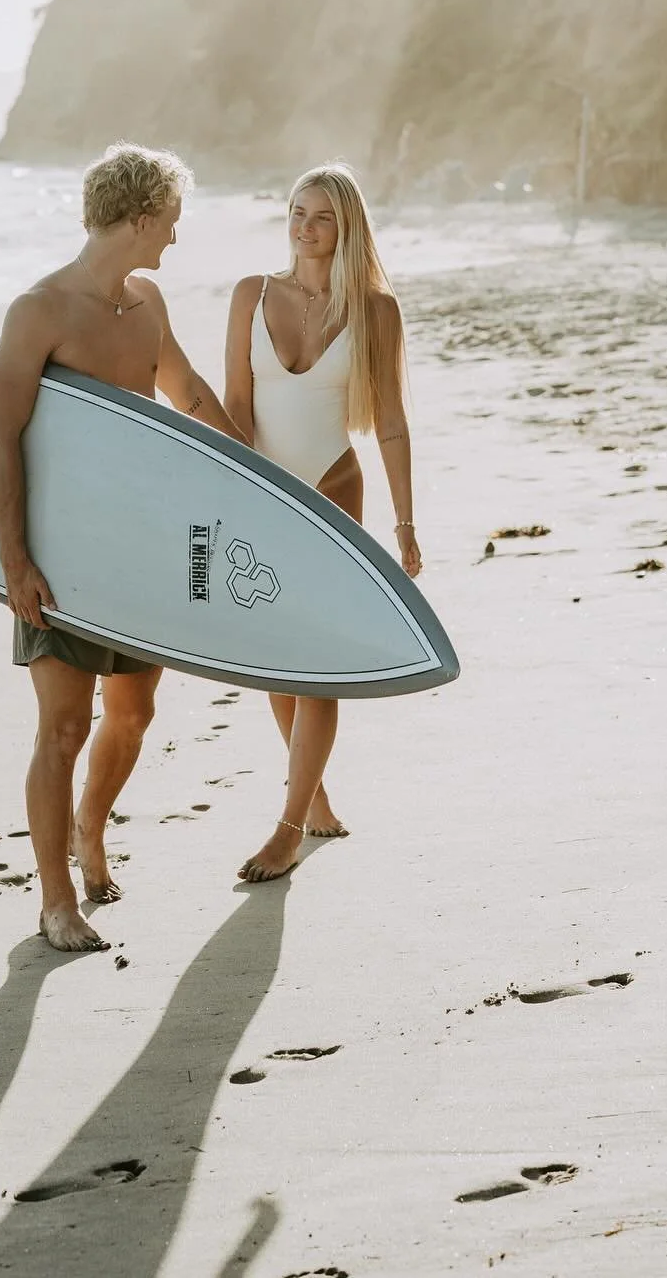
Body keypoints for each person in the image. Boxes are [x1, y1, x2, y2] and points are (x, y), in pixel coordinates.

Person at [0, 143, 241, 953]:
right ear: (137, 219)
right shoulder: (40, 312)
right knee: (64, 726)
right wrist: (15, 561)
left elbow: (188, 392)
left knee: (132, 712)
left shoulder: (147, 301)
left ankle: (90, 828)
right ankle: (56, 900)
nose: (172, 238)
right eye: (168, 222)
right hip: (60, 555)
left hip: (142, 545)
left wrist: (266, 490)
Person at [223, 162, 422, 883]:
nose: (305, 228)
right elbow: (236, 406)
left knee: (317, 667)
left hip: (333, 488)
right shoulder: (252, 294)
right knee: (274, 661)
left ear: (347, 227)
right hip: (263, 495)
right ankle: (315, 794)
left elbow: (392, 423)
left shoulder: (375, 310)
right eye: (296, 212)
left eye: (321, 217)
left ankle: (287, 828)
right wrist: (233, 492)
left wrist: (404, 523)